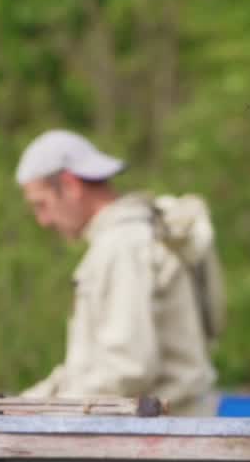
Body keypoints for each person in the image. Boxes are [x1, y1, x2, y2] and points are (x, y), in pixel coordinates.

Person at [15, 128, 222, 416]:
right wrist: (25, 404)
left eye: (42, 204)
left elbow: (128, 369)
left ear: (70, 185)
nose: (43, 220)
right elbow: (92, 367)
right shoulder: (131, 236)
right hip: (169, 435)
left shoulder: (122, 244)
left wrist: (49, 411)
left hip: (161, 443)